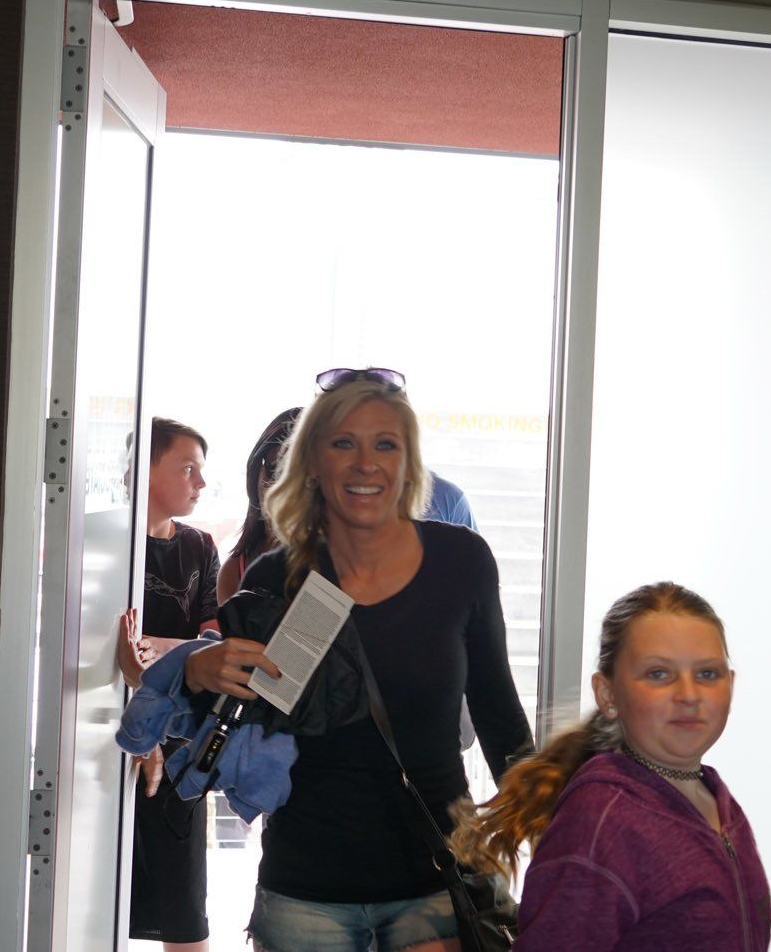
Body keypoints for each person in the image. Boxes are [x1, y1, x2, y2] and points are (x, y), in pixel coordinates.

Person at [184, 367, 533, 952]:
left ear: (409, 462)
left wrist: (552, 830)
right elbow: (259, 727)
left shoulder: (459, 562)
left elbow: (498, 714)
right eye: (343, 442)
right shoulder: (283, 576)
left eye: (385, 444)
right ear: (313, 463)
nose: (364, 463)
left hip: (437, 881)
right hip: (306, 891)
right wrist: (199, 673)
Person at [451, 581, 771, 952]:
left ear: (731, 685)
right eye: (658, 674)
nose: (689, 694)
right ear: (608, 695)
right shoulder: (602, 822)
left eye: (707, 674)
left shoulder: (718, 801)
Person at [116, 417, 221, 952]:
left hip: (181, 748)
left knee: (185, 913)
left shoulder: (200, 547)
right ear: (144, 469)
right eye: (188, 469)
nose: (199, 484)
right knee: (97, 900)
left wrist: (150, 649)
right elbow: (99, 655)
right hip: (108, 742)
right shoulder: (107, 543)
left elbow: (210, 645)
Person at [216, 407, 301, 606]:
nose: (281, 486)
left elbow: (308, 637)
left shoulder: (338, 562)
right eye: (274, 469)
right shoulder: (233, 571)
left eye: (296, 474)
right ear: (256, 470)